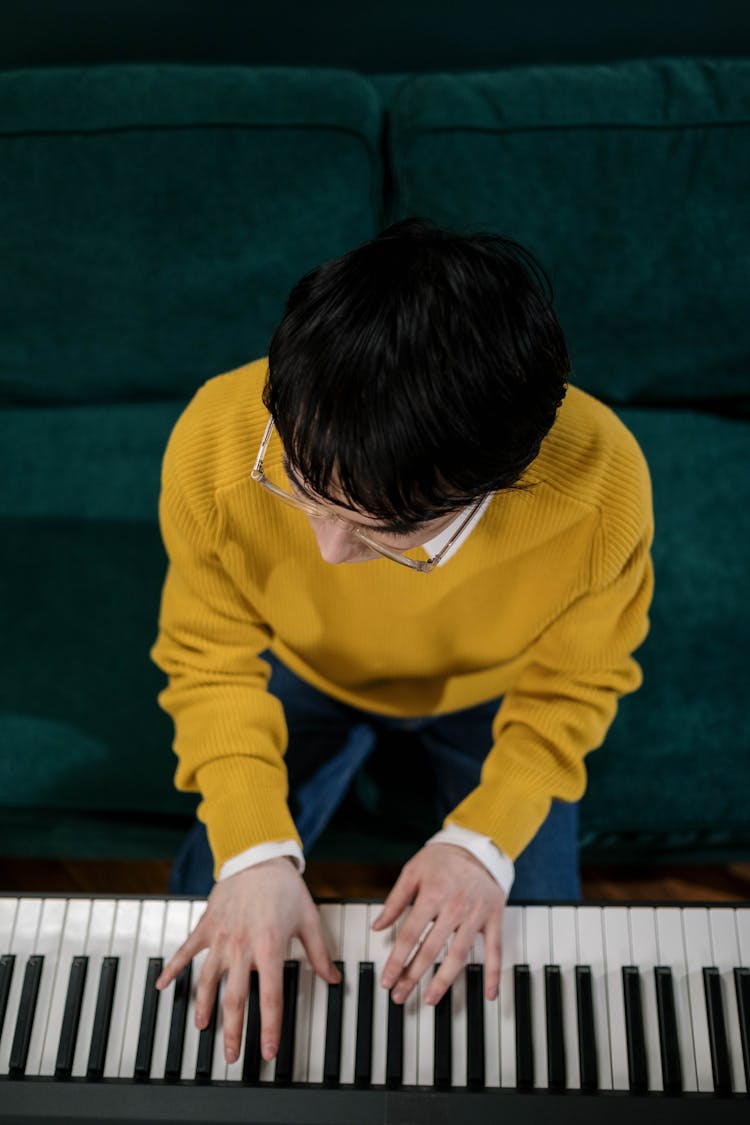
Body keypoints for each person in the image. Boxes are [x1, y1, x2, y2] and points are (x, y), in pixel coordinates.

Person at [150, 217, 654, 1067]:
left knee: (528, 973)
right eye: (302, 490)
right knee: (214, 908)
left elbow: (579, 680)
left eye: (382, 529)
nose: (328, 552)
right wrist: (253, 850)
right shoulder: (217, 438)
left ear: (496, 483)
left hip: (496, 689)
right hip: (301, 672)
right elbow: (209, 651)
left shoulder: (602, 492)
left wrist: (483, 841)